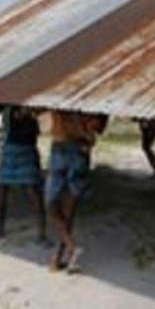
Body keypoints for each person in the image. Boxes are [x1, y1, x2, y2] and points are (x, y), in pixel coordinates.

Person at [46, 110, 108, 274]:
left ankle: (67, 250)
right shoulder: (96, 100)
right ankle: (64, 253)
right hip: (81, 149)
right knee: (68, 209)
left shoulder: (58, 94)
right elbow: (100, 127)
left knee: (51, 204)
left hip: (62, 147)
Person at [0, 106, 47, 242]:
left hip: (12, 150)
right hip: (27, 150)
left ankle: (0, 230)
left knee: (3, 192)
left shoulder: (9, 107)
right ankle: (41, 235)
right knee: (34, 193)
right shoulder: (31, 109)